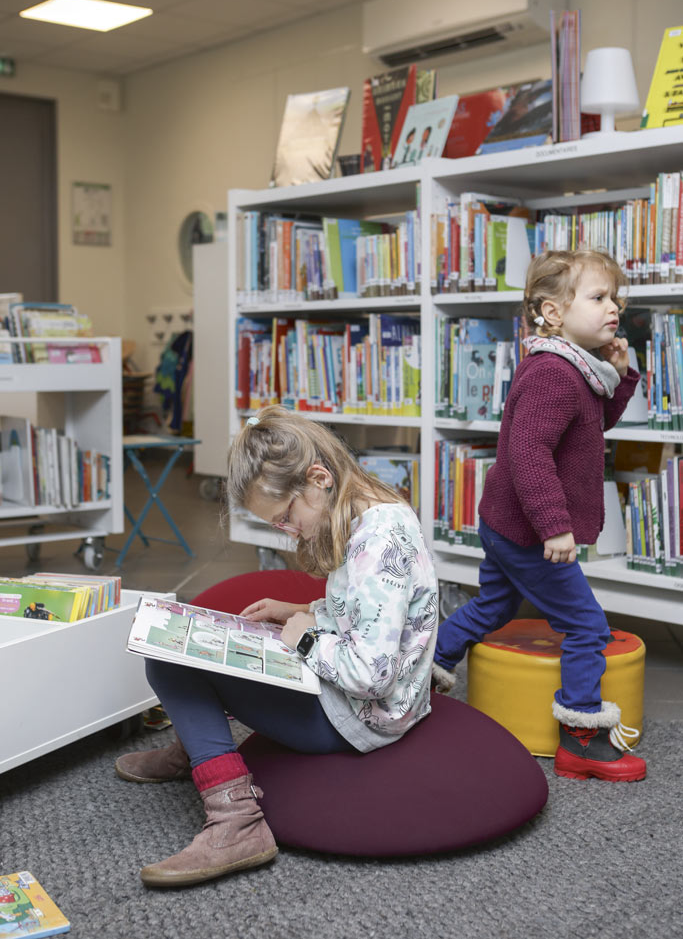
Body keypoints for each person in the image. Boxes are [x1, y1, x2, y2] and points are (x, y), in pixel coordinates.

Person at [115, 406, 437, 886]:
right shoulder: (375, 511)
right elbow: (370, 611)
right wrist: (305, 612)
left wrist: (305, 637)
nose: (288, 531)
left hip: (358, 717)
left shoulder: (378, 540)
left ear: (318, 478)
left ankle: (236, 821)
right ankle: (196, 744)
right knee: (195, 646)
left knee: (171, 665)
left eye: (286, 516)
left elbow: (372, 676)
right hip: (363, 700)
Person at [433, 248, 647, 783]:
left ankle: (424, 666)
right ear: (553, 313)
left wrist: (620, 378)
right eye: (598, 297)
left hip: (507, 521)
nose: (613, 307)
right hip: (529, 530)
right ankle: (581, 738)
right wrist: (555, 525)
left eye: (614, 297)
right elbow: (527, 452)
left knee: (494, 606)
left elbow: (591, 428)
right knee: (585, 625)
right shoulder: (554, 373)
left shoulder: (575, 368)